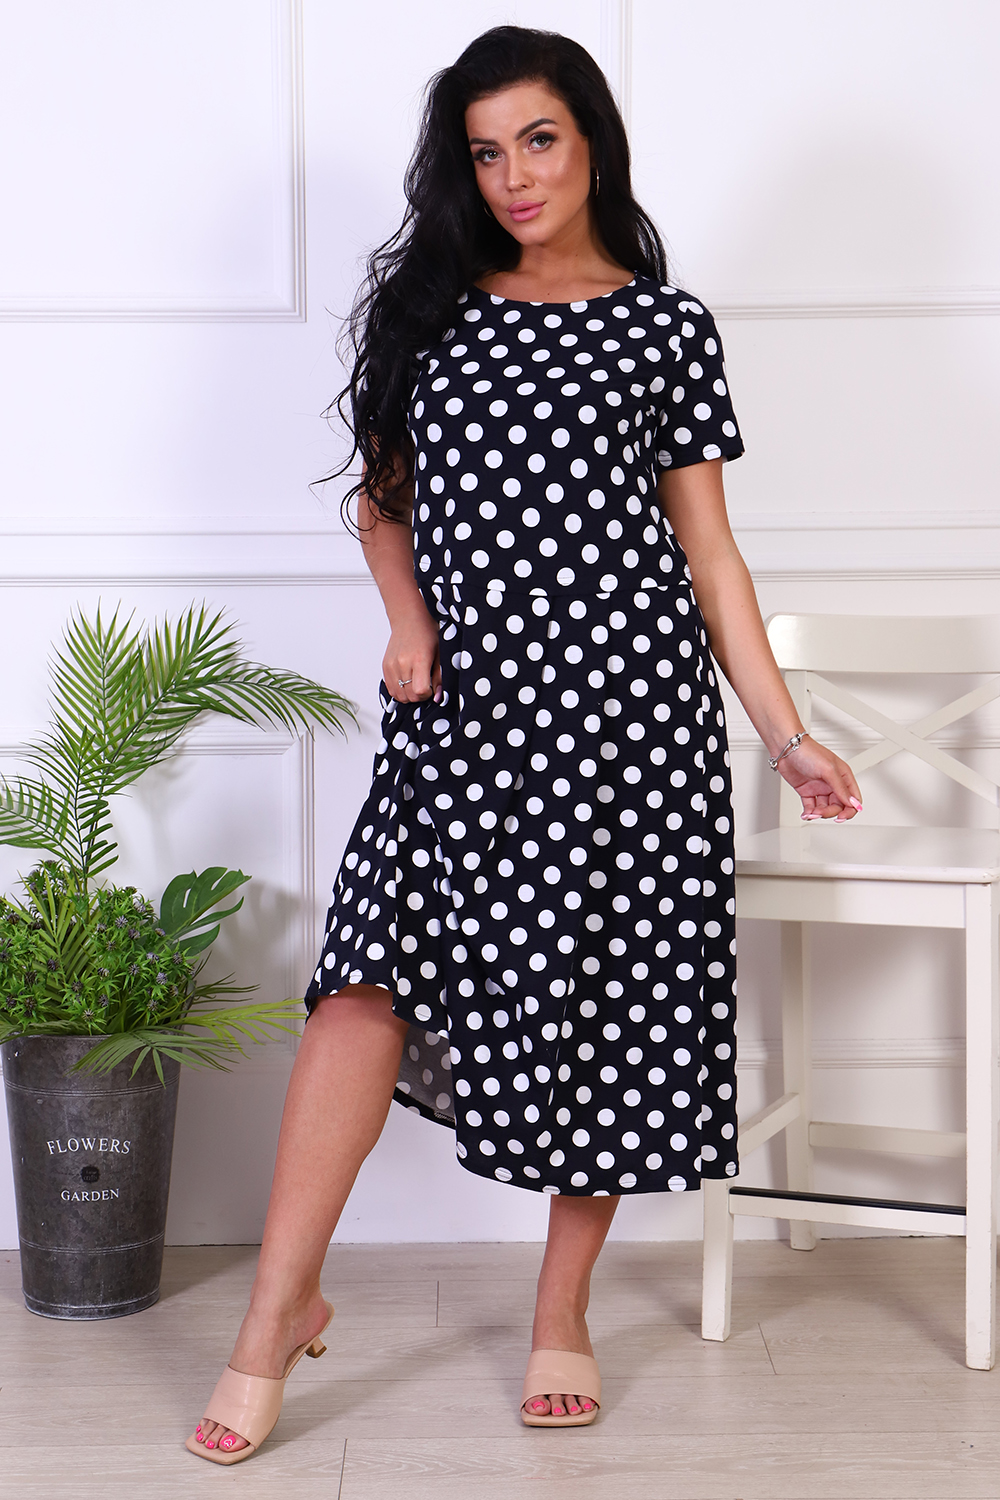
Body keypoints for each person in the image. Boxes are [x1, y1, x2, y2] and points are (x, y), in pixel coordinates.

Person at [186, 25, 862, 1462]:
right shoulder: (435, 311)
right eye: (486, 152)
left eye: (537, 140)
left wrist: (785, 736)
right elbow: (381, 505)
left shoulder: (664, 327)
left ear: (591, 139)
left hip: (629, 724)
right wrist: (409, 620)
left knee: (606, 1017)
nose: (514, 176)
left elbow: (710, 554)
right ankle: (275, 1312)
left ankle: (563, 1308)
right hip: (463, 722)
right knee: (360, 988)